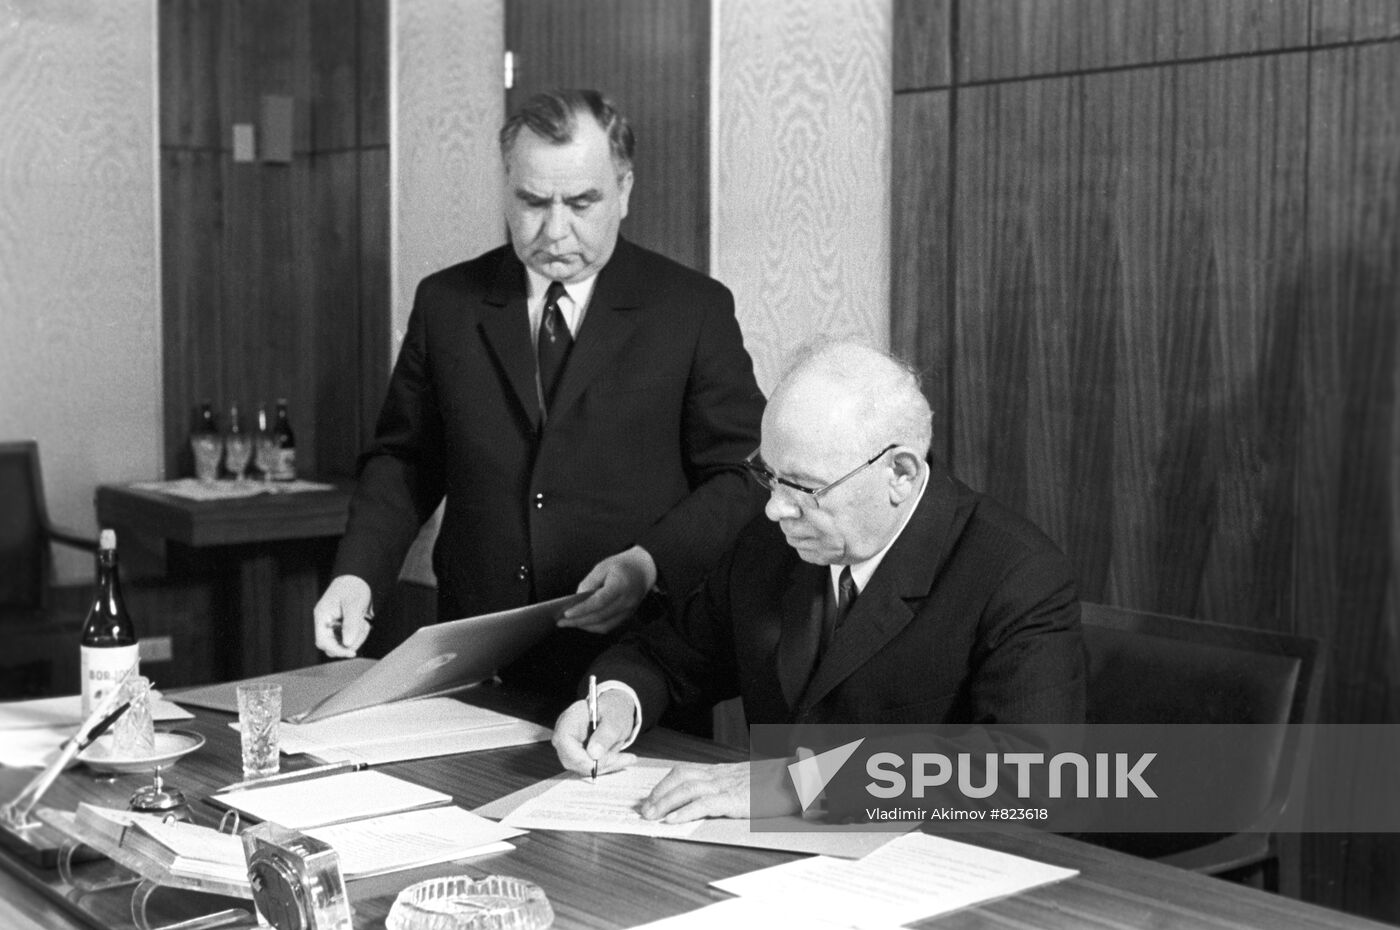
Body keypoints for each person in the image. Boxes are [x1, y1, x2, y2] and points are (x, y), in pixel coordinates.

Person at [313, 89, 765, 702]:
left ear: (625, 191)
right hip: (476, 657)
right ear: (505, 187)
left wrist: (650, 563)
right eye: (531, 201)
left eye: (582, 202)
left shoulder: (691, 310)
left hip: (638, 663)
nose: (555, 230)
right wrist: (357, 574)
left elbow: (744, 474)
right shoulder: (447, 303)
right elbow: (406, 459)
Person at [553, 341, 1085, 822]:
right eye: (767, 474)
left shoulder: (1016, 572)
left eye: (805, 487)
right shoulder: (770, 546)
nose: (774, 508)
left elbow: (1030, 770)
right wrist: (615, 706)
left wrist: (797, 785)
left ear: (900, 474)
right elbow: (665, 656)